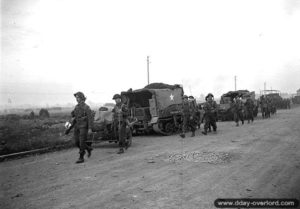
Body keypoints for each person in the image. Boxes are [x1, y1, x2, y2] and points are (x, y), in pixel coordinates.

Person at [72, 92, 93, 163]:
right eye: (76, 98)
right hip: (77, 126)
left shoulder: (86, 107)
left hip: (84, 126)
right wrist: (68, 126)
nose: (77, 99)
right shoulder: (76, 107)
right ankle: (88, 148)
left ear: (82, 98)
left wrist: (90, 128)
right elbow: (73, 117)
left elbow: (90, 119)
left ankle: (81, 157)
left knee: (81, 142)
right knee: (76, 142)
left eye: (78, 97)